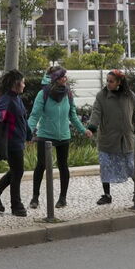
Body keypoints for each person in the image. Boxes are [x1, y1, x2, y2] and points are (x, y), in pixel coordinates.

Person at [27, 66, 88, 208]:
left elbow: (72, 115)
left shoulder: (68, 93)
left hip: (63, 136)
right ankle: (35, 198)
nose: (65, 79)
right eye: (62, 77)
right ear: (54, 79)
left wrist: (83, 130)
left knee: (63, 166)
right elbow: (34, 115)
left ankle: (62, 198)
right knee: (41, 165)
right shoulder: (43, 94)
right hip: (45, 135)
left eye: (65, 76)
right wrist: (27, 133)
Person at [89, 69, 135, 205]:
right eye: (107, 81)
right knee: (105, 166)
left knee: (130, 166)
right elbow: (96, 113)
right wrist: (91, 128)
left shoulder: (130, 96)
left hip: (126, 139)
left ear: (119, 82)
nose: (108, 84)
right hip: (107, 139)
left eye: (111, 81)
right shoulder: (102, 96)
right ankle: (106, 195)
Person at [0, 70, 33, 216]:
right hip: (11, 141)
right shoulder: (7, 99)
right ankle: (16, 206)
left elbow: (22, 119)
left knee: (16, 171)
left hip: (18, 140)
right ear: (15, 83)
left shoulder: (16, 98)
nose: (24, 85)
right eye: (23, 82)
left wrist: (29, 135)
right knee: (17, 171)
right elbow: (0, 112)